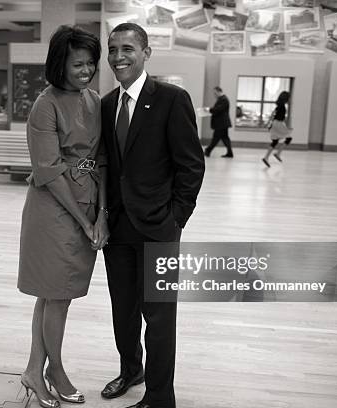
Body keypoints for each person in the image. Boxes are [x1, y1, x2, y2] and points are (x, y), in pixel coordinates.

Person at [100, 23, 205, 408]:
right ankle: (131, 370)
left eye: (127, 48)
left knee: (159, 320)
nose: (118, 56)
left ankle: (160, 397)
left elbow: (191, 166)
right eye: (112, 49)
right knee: (123, 312)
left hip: (159, 228)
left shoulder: (172, 99)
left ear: (146, 53)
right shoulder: (107, 103)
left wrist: (176, 217)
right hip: (118, 228)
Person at [17, 25, 107, 408]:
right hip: (53, 210)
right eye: (76, 64)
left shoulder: (94, 100)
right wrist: (84, 220)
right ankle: (54, 369)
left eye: (90, 63)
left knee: (53, 297)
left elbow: (103, 161)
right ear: (59, 64)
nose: (85, 71)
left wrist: (101, 214)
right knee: (57, 297)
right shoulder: (46, 104)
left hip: (87, 203)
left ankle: (33, 371)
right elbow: (49, 171)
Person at [262, 91, 291, 167]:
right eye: (289, 98)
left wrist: (268, 124)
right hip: (279, 123)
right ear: (286, 98)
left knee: (275, 141)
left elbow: (272, 114)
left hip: (274, 123)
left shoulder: (279, 105)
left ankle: (266, 157)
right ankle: (278, 153)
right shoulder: (282, 106)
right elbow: (278, 117)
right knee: (289, 138)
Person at [204, 86, 234, 158]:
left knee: (216, 137)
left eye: (215, 93)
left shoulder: (224, 99)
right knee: (225, 138)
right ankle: (230, 153)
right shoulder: (222, 99)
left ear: (218, 91)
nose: (214, 95)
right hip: (222, 123)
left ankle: (208, 150)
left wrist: (209, 109)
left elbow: (218, 109)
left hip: (221, 123)